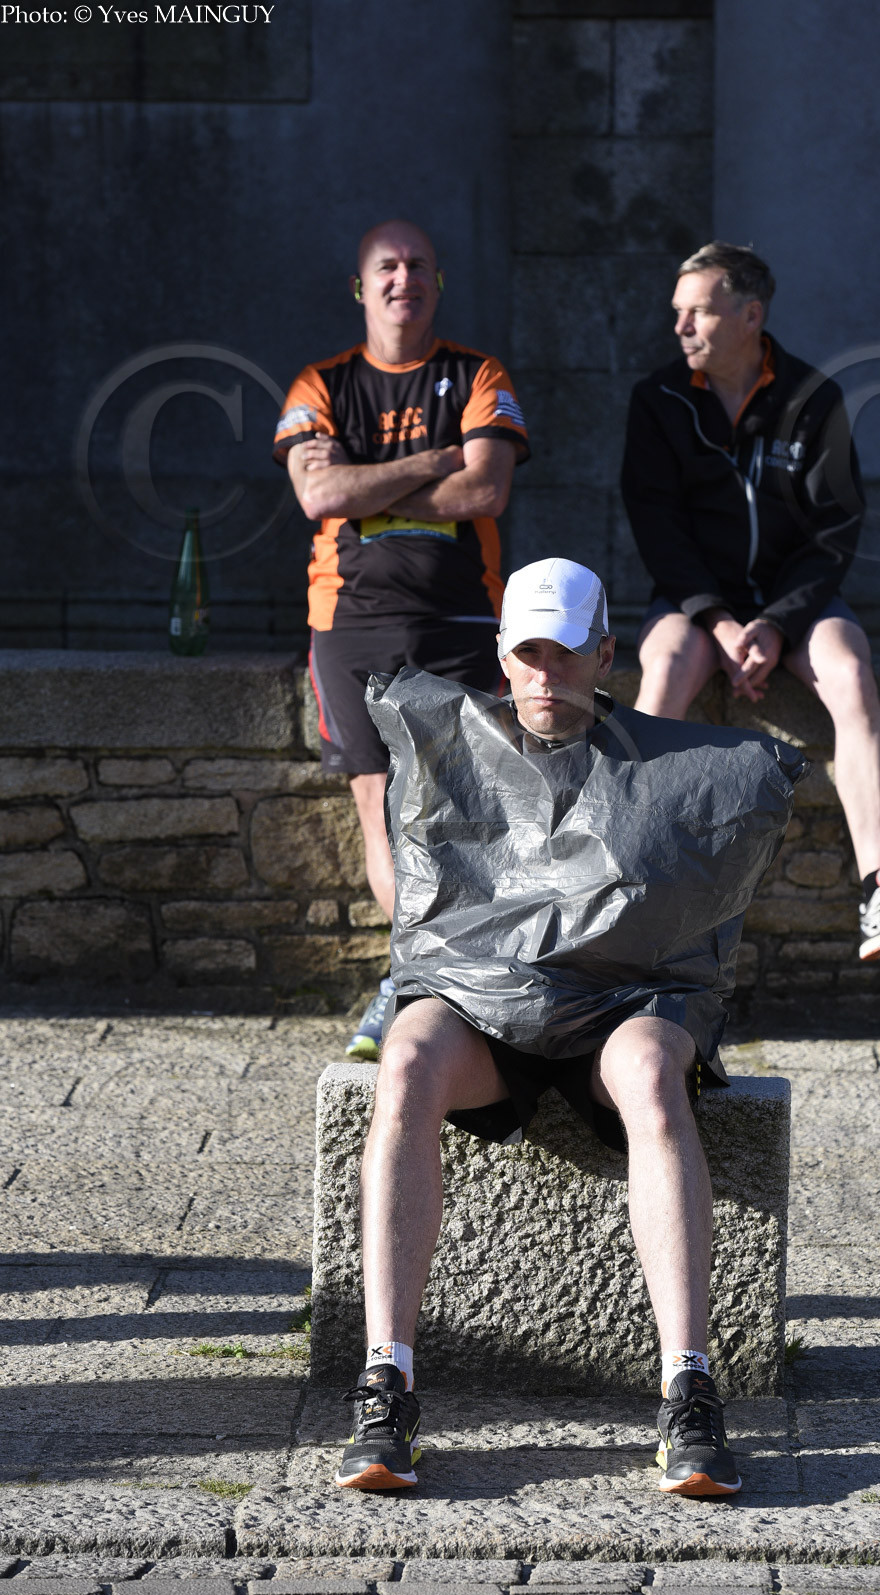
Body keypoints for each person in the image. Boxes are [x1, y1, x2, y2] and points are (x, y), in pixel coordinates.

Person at [334, 557, 805, 1500]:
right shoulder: (450, 749)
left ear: (604, 654)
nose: (545, 674)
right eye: (529, 654)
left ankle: (689, 1390)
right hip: (480, 1011)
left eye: (565, 653)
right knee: (407, 1060)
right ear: (503, 658)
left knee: (653, 1079)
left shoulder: (663, 769)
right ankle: (386, 1382)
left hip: (620, 1015)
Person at [621, 241, 880, 962]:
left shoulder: (814, 398)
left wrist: (775, 624)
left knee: (850, 668)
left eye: (698, 312)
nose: (680, 327)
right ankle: (625, 886)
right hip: (695, 604)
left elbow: (834, 530)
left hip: (792, 602)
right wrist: (718, 620)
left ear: (751, 316)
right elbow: (657, 528)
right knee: (665, 667)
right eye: (677, 312)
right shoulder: (658, 399)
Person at [273, 218, 529, 1056]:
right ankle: (416, 979)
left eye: (419, 265)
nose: (403, 278)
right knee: (379, 802)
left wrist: (365, 484)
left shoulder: (478, 375)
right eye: (387, 266)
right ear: (362, 285)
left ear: (437, 282)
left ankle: (447, 983)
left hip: (462, 616)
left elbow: (485, 492)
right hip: (349, 621)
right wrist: (431, 461)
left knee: (465, 805)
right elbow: (318, 497)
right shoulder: (321, 384)